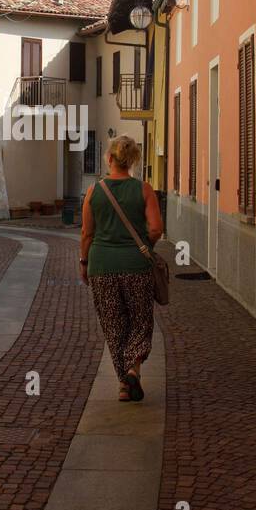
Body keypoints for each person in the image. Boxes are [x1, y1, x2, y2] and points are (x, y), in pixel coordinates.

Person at [79, 135, 163, 402]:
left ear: (110, 159)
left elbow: (86, 233)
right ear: (131, 161)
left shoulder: (94, 191)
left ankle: (125, 384)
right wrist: (141, 247)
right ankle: (132, 371)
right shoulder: (144, 189)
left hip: (102, 266)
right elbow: (156, 228)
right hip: (136, 266)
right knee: (140, 321)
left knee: (114, 325)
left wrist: (84, 263)